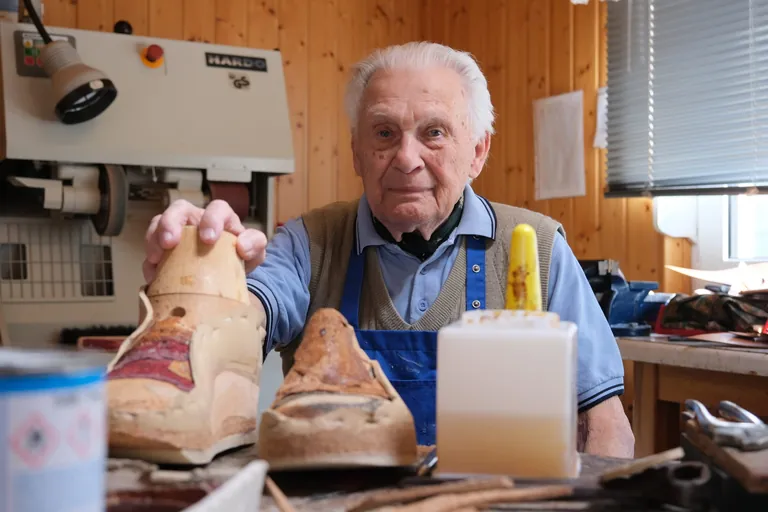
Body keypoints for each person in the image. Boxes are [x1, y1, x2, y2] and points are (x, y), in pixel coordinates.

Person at [143, 42, 635, 458]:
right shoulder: (308, 244)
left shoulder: (540, 249)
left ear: (478, 151)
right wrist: (203, 277)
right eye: (384, 133)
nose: (405, 159)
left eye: (434, 133)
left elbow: (604, 425)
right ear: (357, 150)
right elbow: (240, 323)